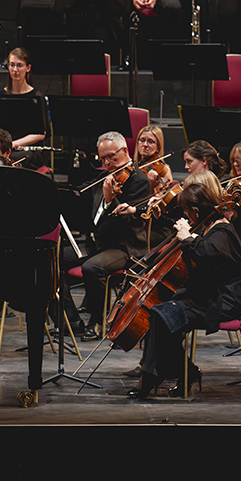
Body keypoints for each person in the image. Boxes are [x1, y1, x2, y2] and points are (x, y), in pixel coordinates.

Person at [126, 174, 241, 398]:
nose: (186, 216)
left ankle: (153, 375)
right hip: (205, 295)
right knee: (160, 312)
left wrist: (188, 238)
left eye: (187, 212)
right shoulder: (207, 225)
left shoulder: (222, 230)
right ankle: (183, 372)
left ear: (197, 211)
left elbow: (207, 252)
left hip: (222, 301)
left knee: (163, 315)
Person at [76, 132, 158, 340]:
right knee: (54, 258)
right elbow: (83, 197)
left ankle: (97, 322)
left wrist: (110, 199)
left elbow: (128, 222)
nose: (107, 163)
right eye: (103, 158)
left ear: (125, 151)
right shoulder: (105, 177)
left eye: (111, 157)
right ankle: (70, 319)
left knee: (92, 267)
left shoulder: (138, 180)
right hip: (99, 243)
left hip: (125, 246)